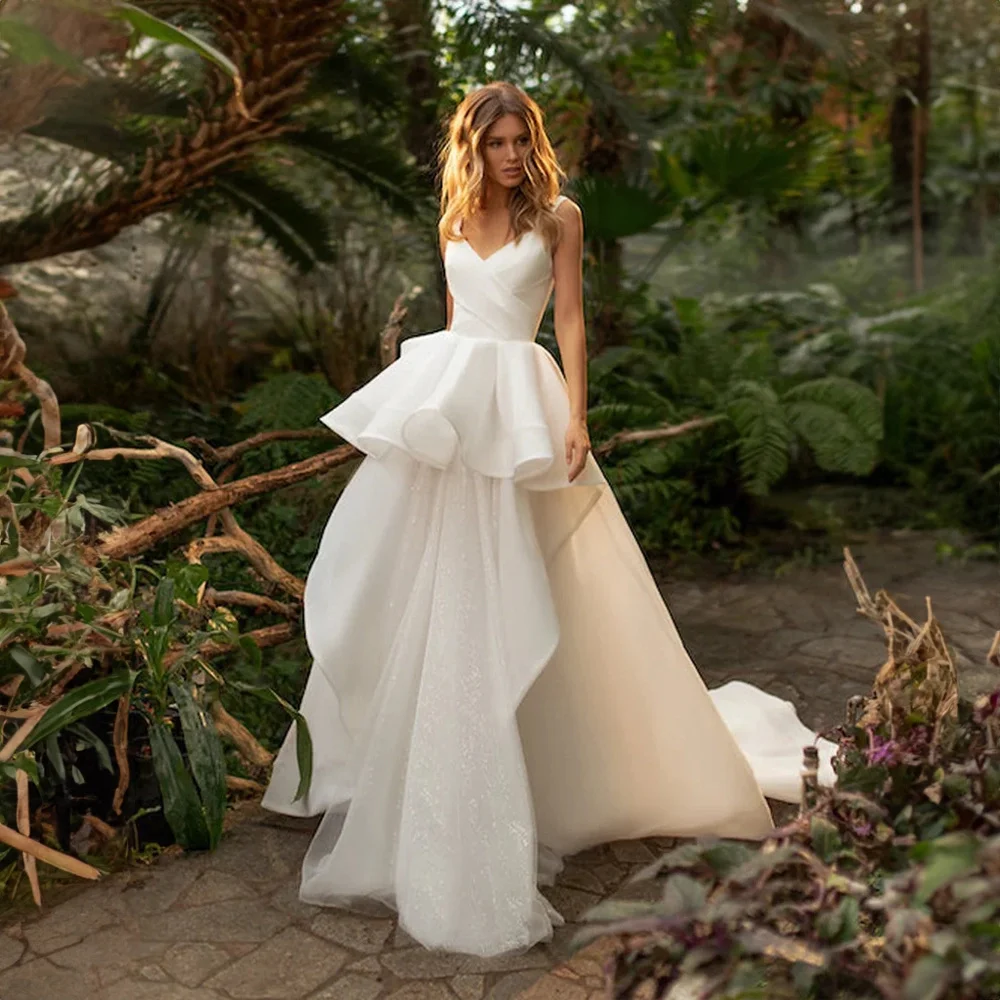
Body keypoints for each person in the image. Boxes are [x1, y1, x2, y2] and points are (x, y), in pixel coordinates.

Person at [262, 81, 836, 958]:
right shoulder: (452, 218)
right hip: (454, 413)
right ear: (471, 147)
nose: (510, 155)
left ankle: (534, 766)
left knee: (526, 587)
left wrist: (576, 416)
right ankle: (421, 779)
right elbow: (456, 320)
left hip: (522, 415)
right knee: (414, 582)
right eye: (494, 143)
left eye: (519, 140)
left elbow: (568, 320)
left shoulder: (558, 216)